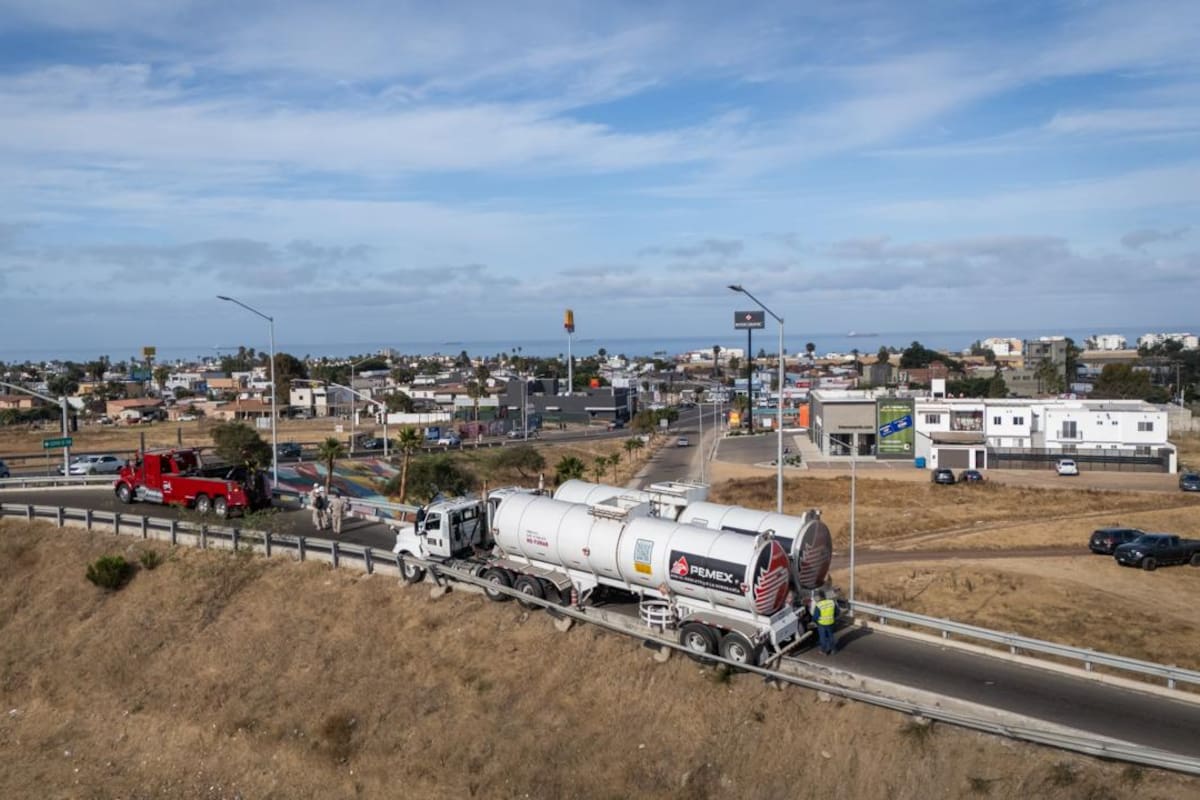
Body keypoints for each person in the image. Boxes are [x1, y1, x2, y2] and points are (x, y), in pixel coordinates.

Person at [814, 590, 838, 655]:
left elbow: (815, 617)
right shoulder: (831, 602)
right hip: (830, 622)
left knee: (823, 637)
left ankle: (824, 651)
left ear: (819, 597)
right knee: (831, 636)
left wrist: (815, 622)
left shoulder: (819, 605)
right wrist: (833, 618)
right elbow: (837, 612)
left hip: (822, 624)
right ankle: (833, 649)